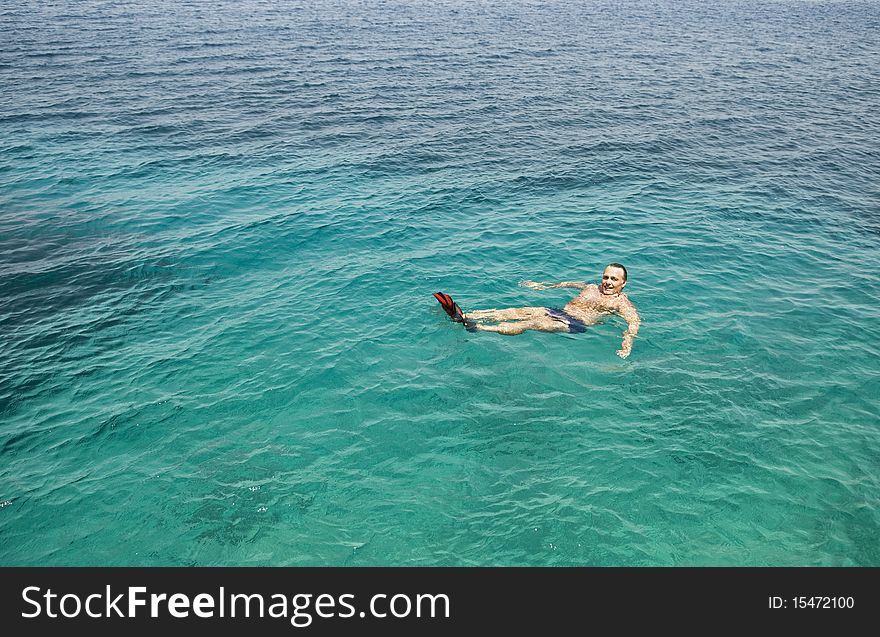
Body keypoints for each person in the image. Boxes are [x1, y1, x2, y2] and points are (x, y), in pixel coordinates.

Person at [433, 263, 641, 358]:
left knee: (530, 324)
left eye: (614, 279)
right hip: (558, 311)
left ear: (623, 283)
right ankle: (468, 315)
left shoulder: (621, 303)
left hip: (573, 324)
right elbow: (565, 283)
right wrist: (542, 286)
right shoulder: (589, 287)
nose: (608, 282)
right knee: (517, 311)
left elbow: (633, 323)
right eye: (606, 277)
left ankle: (479, 328)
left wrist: (627, 343)